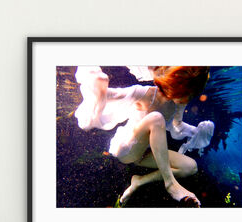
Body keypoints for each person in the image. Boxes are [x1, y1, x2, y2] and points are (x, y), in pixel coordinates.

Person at [74, 65, 215, 207]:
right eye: (188, 93)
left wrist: (196, 132)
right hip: (127, 149)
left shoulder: (178, 104)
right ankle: (170, 183)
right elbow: (112, 96)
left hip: (148, 152)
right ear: (178, 85)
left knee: (190, 167)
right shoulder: (145, 94)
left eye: (192, 95)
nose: (189, 99)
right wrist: (99, 87)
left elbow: (177, 127)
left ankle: (139, 181)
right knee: (156, 118)